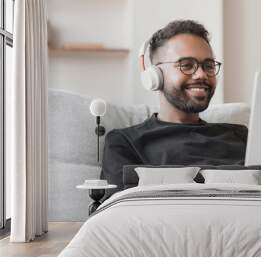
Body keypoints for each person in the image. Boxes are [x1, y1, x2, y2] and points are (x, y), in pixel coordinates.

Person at [101, 20, 247, 189]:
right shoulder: (124, 143)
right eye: (187, 65)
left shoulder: (240, 137)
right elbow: (120, 209)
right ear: (155, 76)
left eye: (208, 66)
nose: (201, 74)